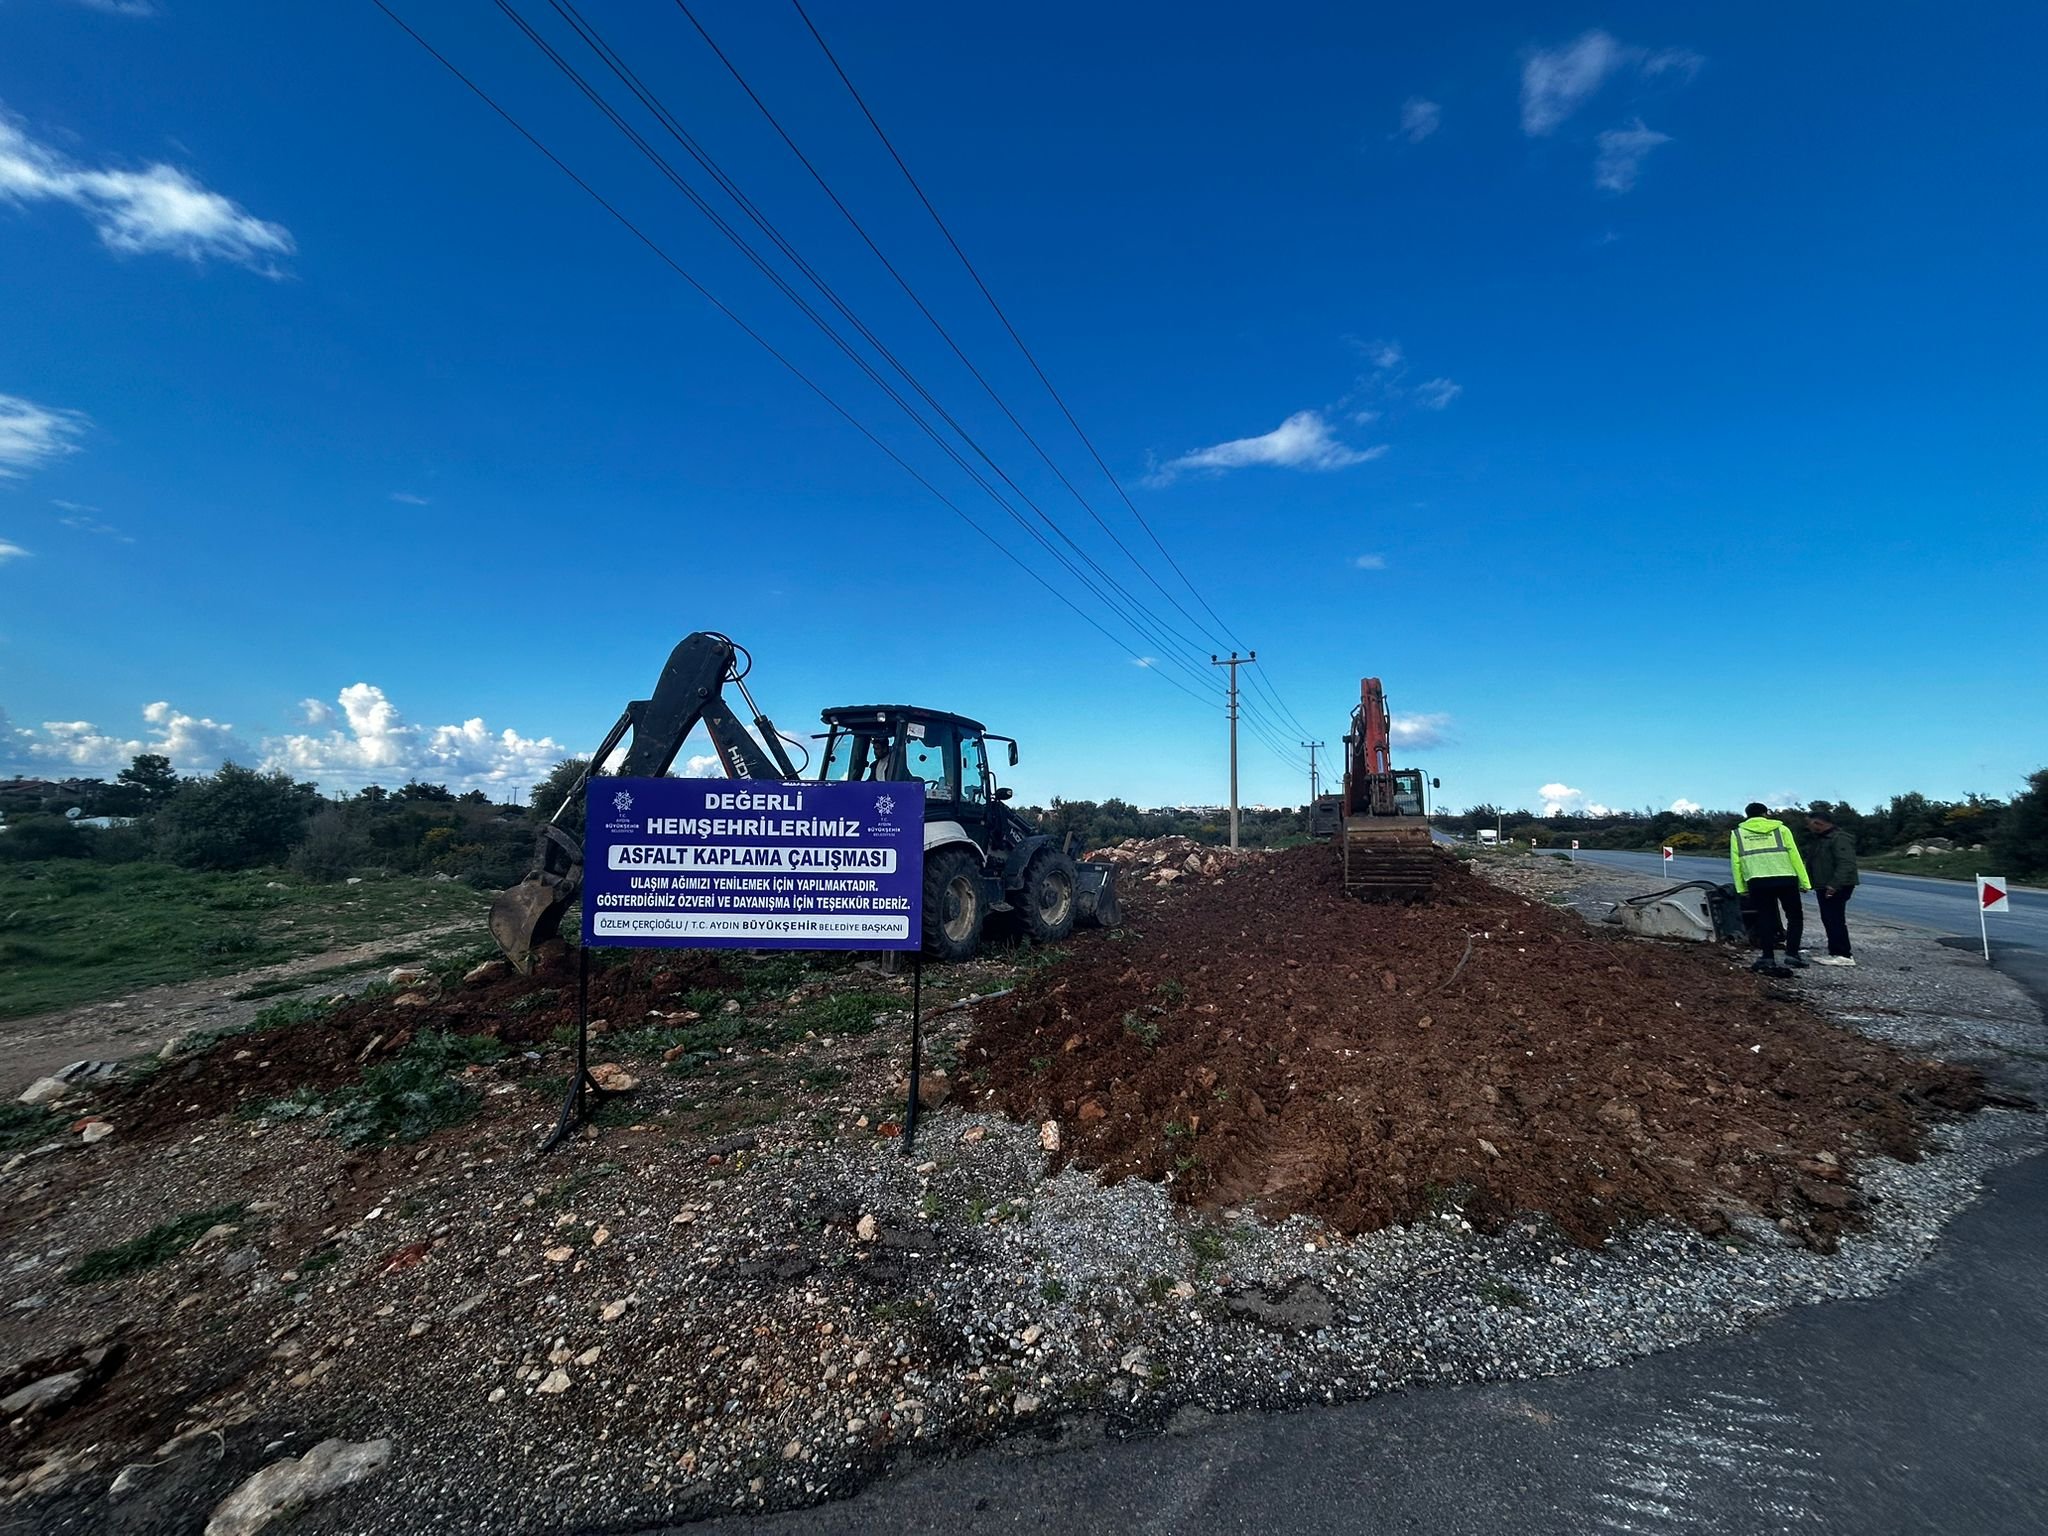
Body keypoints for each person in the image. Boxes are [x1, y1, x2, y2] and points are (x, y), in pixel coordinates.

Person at [1731, 802, 1811, 974]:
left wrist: (1741, 887)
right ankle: (1792, 954)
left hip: (1757, 881)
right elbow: (1794, 855)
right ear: (1765, 813)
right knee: (1795, 917)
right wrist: (1804, 882)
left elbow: (1736, 862)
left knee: (1765, 918)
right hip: (1786, 878)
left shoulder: (1738, 834)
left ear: (1747, 815)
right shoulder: (1781, 829)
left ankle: (1767, 956)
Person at [1805, 810, 1860, 965]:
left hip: (1836, 885)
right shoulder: (1821, 839)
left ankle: (1843, 955)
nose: (1808, 827)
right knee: (1829, 918)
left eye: (1809, 823)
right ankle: (1835, 952)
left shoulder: (1839, 838)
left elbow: (1846, 863)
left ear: (1818, 823)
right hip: (1824, 884)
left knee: (1834, 919)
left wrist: (1834, 885)